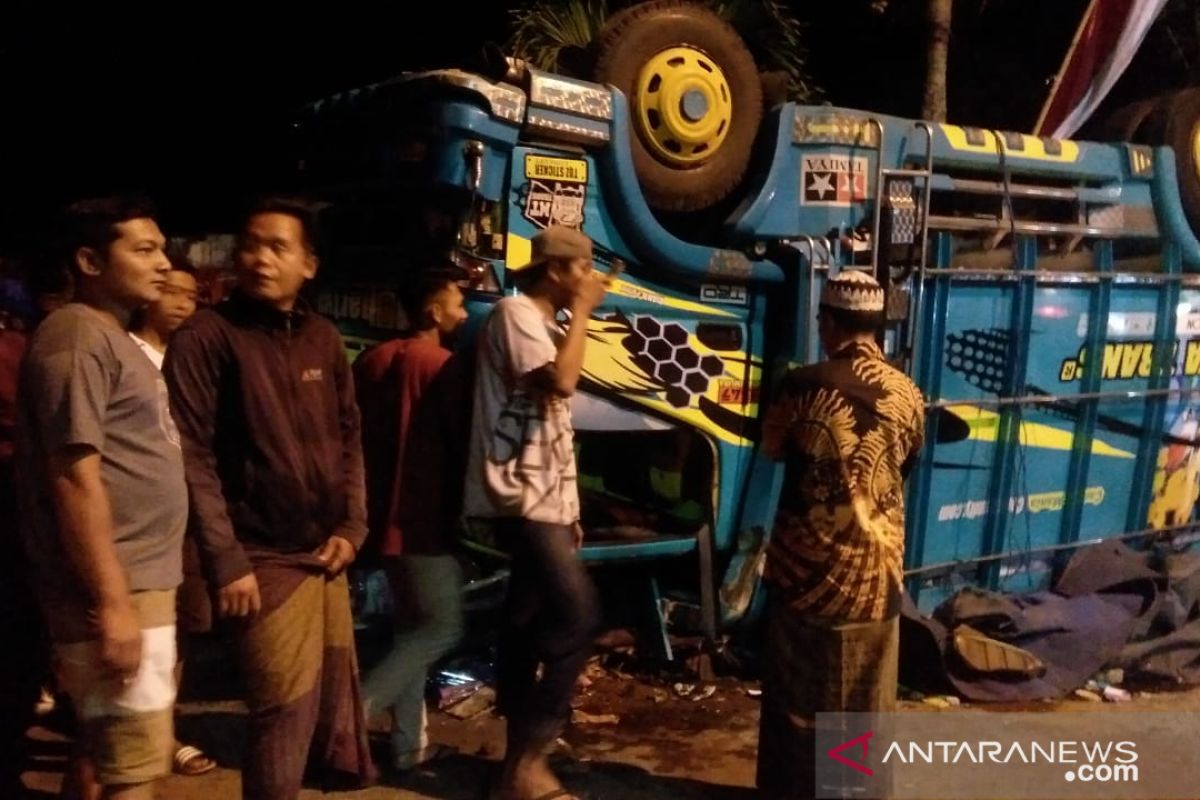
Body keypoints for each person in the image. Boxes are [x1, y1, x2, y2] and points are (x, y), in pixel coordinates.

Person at [163, 196, 375, 799]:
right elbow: (192, 457)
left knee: (317, 713)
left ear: (309, 264)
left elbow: (350, 437)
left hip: (324, 552)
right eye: (250, 245)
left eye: (277, 247)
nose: (258, 258)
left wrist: (353, 526)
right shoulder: (207, 337)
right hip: (257, 557)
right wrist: (225, 562)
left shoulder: (323, 338)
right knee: (283, 710)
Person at [17, 196, 186, 800]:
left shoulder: (106, 336)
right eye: (144, 249)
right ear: (89, 260)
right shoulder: (76, 338)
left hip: (137, 582)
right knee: (131, 772)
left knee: (105, 757)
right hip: (118, 586)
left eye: (162, 246)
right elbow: (73, 476)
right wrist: (112, 602)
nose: (164, 263)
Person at [756, 270, 925, 800]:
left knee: (795, 701)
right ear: (877, 326)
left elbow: (773, 449)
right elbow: (907, 463)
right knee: (862, 707)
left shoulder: (802, 385)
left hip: (804, 574)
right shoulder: (908, 393)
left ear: (827, 322)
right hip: (876, 576)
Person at [463, 225, 607, 800]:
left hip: (545, 496)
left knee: (523, 624)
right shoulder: (516, 314)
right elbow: (563, 384)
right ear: (556, 271)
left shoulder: (545, 324)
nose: (590, 279)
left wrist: (570, 504)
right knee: (580, 616)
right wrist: (587, 315)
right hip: (520, 494)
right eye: (583, 269)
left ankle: (513, 765)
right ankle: (532, 754)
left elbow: (555, 427)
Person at [355, 270, 470, 771]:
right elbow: (463, 444)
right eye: (457, 304)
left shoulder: (373, 360)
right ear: (432, 313)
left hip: (379, 516)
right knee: (441, 629)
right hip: (425, 519)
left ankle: (409, 744)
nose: (464, 314)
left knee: (410, 632)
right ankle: (345, 722)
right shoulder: (443, 366)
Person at [126, 263, 215, 777]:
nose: (184, 303)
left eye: (192, 295)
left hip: (187, 517)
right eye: (172, 292)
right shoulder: (126, 354)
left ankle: (161, 730)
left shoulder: (193, 357)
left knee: (182, 628)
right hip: (141, 525)